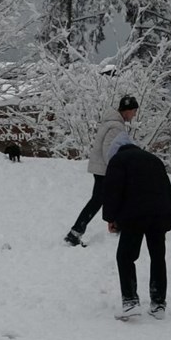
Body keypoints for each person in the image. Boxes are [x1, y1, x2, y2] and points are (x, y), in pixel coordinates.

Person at [101, 136, 171, 319]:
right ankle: (158, 304)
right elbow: (168, 191)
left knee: (125, 257)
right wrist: (168, 220)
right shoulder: (153, 159)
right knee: (158, 257)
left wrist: (110, 218)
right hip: (160, 214)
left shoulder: (118, 161)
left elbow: (112, 191)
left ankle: (130, 302)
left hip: (134, 215)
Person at [64, 95, 139, 246]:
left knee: (100, 200)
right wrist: (116, 169)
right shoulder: (116, 126)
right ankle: (76, 232)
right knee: (101, 200)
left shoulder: (111, 123)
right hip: (105, 170)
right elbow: (108, 150)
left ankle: (78, 232)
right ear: (127, 110)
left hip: (101, 169)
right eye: (134, 111)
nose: (135, 115)